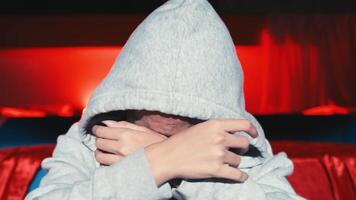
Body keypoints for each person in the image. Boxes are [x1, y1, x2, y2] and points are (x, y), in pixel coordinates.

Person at [25, 0, 305, 199]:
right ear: (126, 108)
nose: (169, 142)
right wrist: (155, 164)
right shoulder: (92, 139)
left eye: (184, 136)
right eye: (152, 131)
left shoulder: (244, 148)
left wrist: (180, 171)